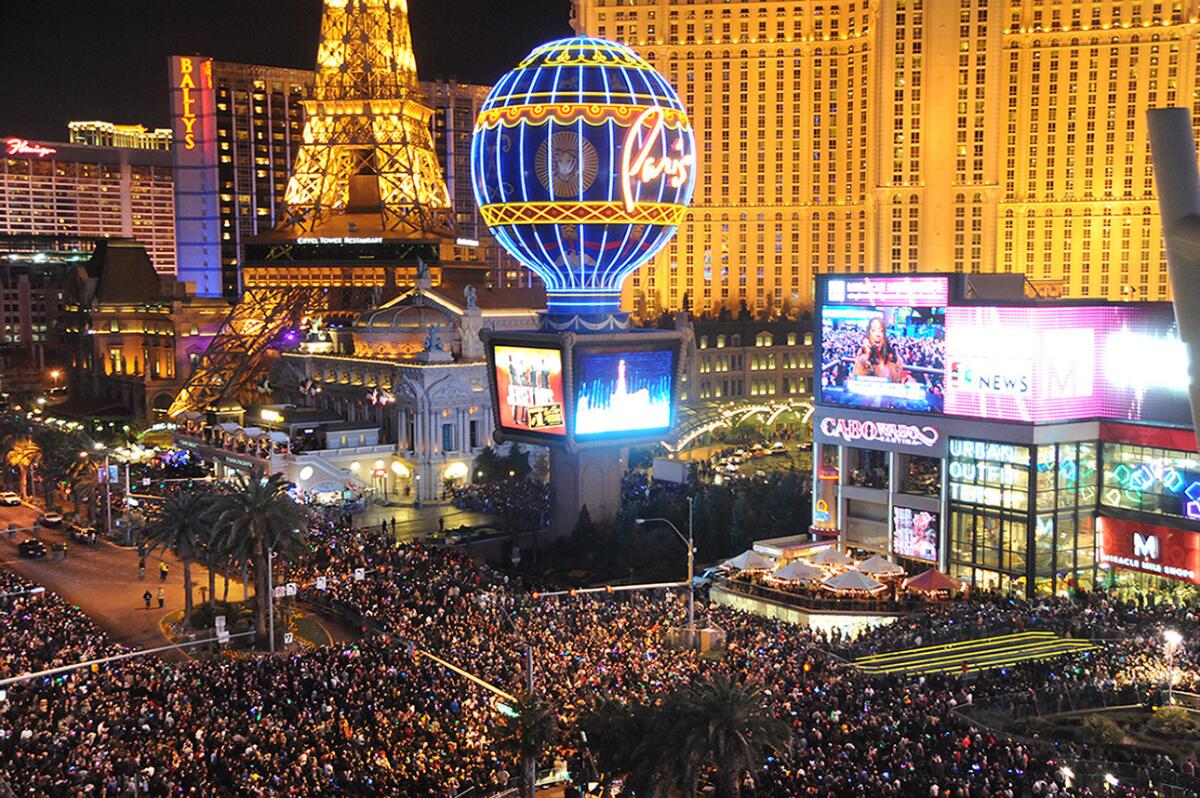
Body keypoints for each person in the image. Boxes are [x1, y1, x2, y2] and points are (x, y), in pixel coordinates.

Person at [851, 316, 914, 383]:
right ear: (868, 335)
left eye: (881, 331)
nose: (878, 335)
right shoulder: (862, 355)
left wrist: (906, 379)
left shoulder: (893, 358)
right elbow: (855, 381)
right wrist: (866, 357)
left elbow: (899, 380)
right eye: (874, 330)